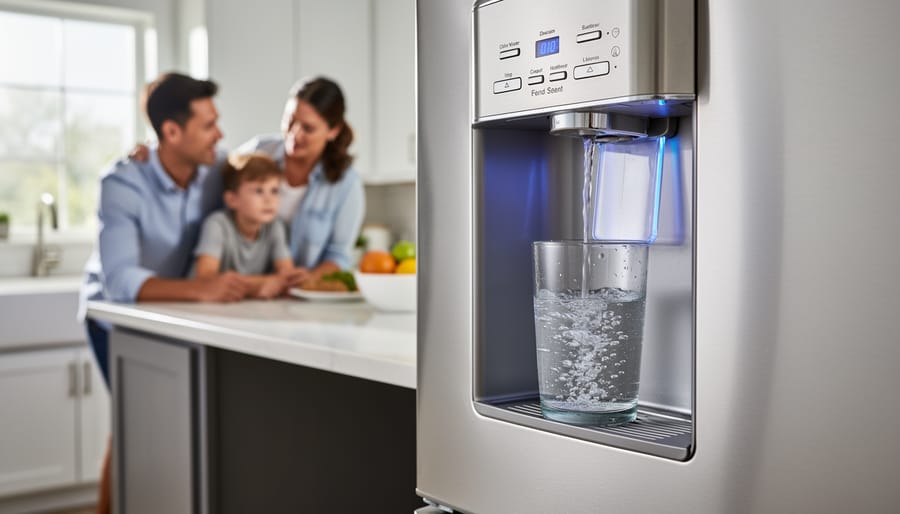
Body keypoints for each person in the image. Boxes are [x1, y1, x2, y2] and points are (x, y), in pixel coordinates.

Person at [78, 72, 247, 514]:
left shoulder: (216, 170)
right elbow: (120, 282)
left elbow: (269, 156)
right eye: (208, 125)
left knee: (171, 419)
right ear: (171, 132)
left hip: (180, 309)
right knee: (131, 422)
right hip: (114, 317)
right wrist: (203, 289)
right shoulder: (122, 183)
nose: (221, 134)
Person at [236, 77, 365, 288]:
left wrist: (310, 279)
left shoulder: (346, 184)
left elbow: (338, 255)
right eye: (290, 121)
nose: (295, 134)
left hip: (297, 296)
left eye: (308, 128)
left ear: (333, 131)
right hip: (244, 289)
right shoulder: (256, 152)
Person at [193, 152, 297, 298]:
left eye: (274, 191)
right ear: (232, 200)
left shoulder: (275, 227)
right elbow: (206, 279)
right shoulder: (217, 224)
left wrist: (288, 280)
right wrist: (261, 285)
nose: (269, 200)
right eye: (258, 191)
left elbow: (287, 276)